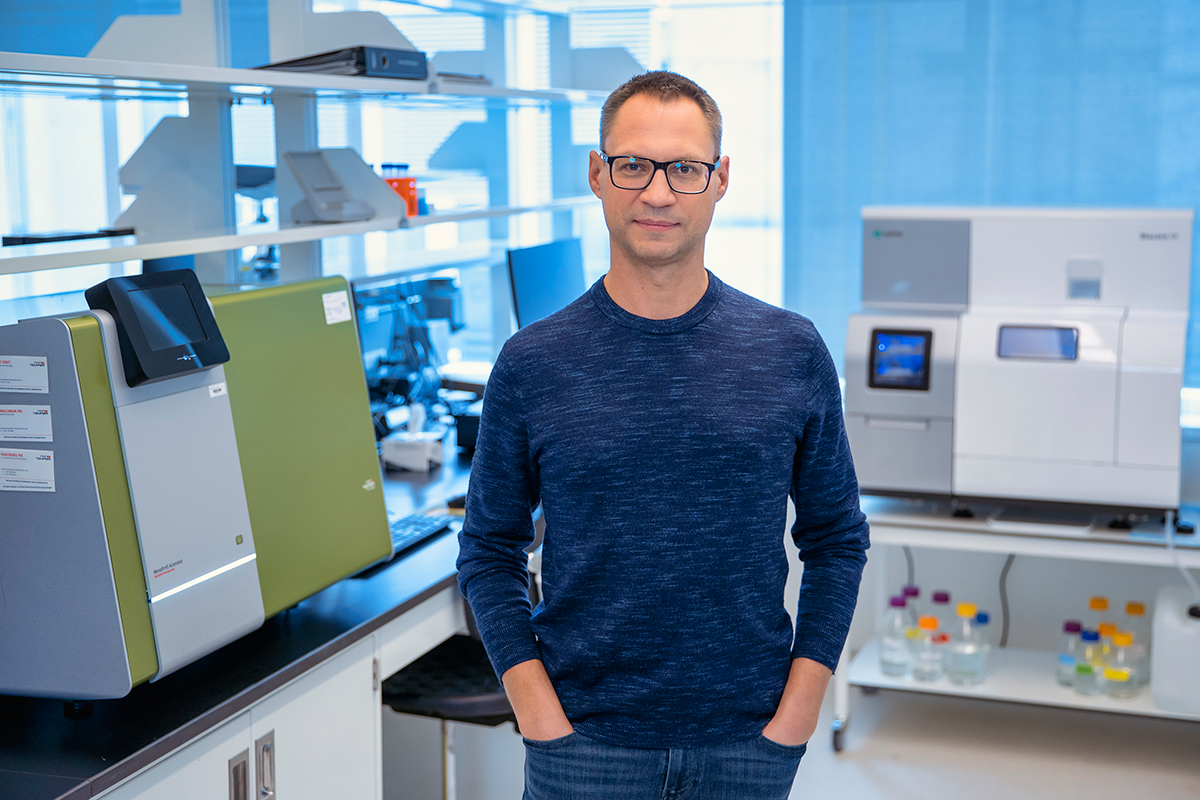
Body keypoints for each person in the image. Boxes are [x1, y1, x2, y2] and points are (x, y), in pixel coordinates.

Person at [457, 70, 870, 799]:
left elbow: (836, 538)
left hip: (750, 738)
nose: (657, 193)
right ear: (597, 175)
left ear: (720, 180)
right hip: (581, 743)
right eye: (633, 165)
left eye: (684, 168)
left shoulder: (789, 349)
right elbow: (489, 549)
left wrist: (800, 710)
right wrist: (538, 713)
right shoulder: (534, 362)